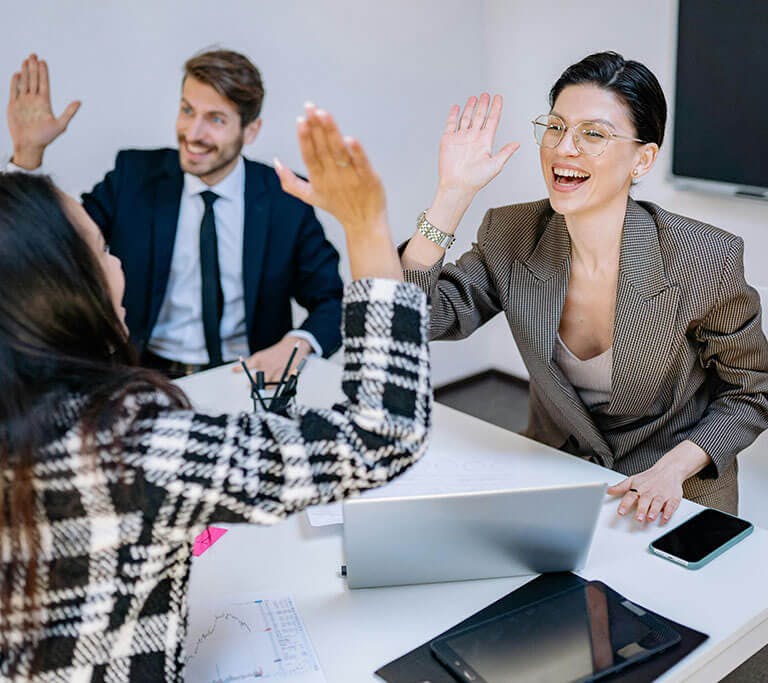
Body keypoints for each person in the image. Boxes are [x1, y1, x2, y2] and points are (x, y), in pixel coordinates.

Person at [0, 105, 430, 680]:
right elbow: (380, 434)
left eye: (215, 118)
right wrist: (368, 227)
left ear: (249, 131)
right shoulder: (129, 441)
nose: (118, 262)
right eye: (103, 251)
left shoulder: (276, 199)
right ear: (59, 288)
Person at [401, 51, 768, 523]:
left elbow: (752, 388)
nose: (564, 148)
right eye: (555, 127)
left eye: (592, 134)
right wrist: (450, 198)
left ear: (643, 159)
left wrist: (673, 469)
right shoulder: (511, 234)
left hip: (668, 492)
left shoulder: (701, 259)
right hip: (556, 473)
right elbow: (412, 321)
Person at [6, 51, 344, 380]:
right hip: (142, 373)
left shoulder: (285, 195)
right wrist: (28, 155)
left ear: (250, 130)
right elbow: (58, 247)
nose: (193, 133)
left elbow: (331, 299)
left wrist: (299, 344)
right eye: (187, 110)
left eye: (215, 119)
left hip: (247, 375)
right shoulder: (132, 176)